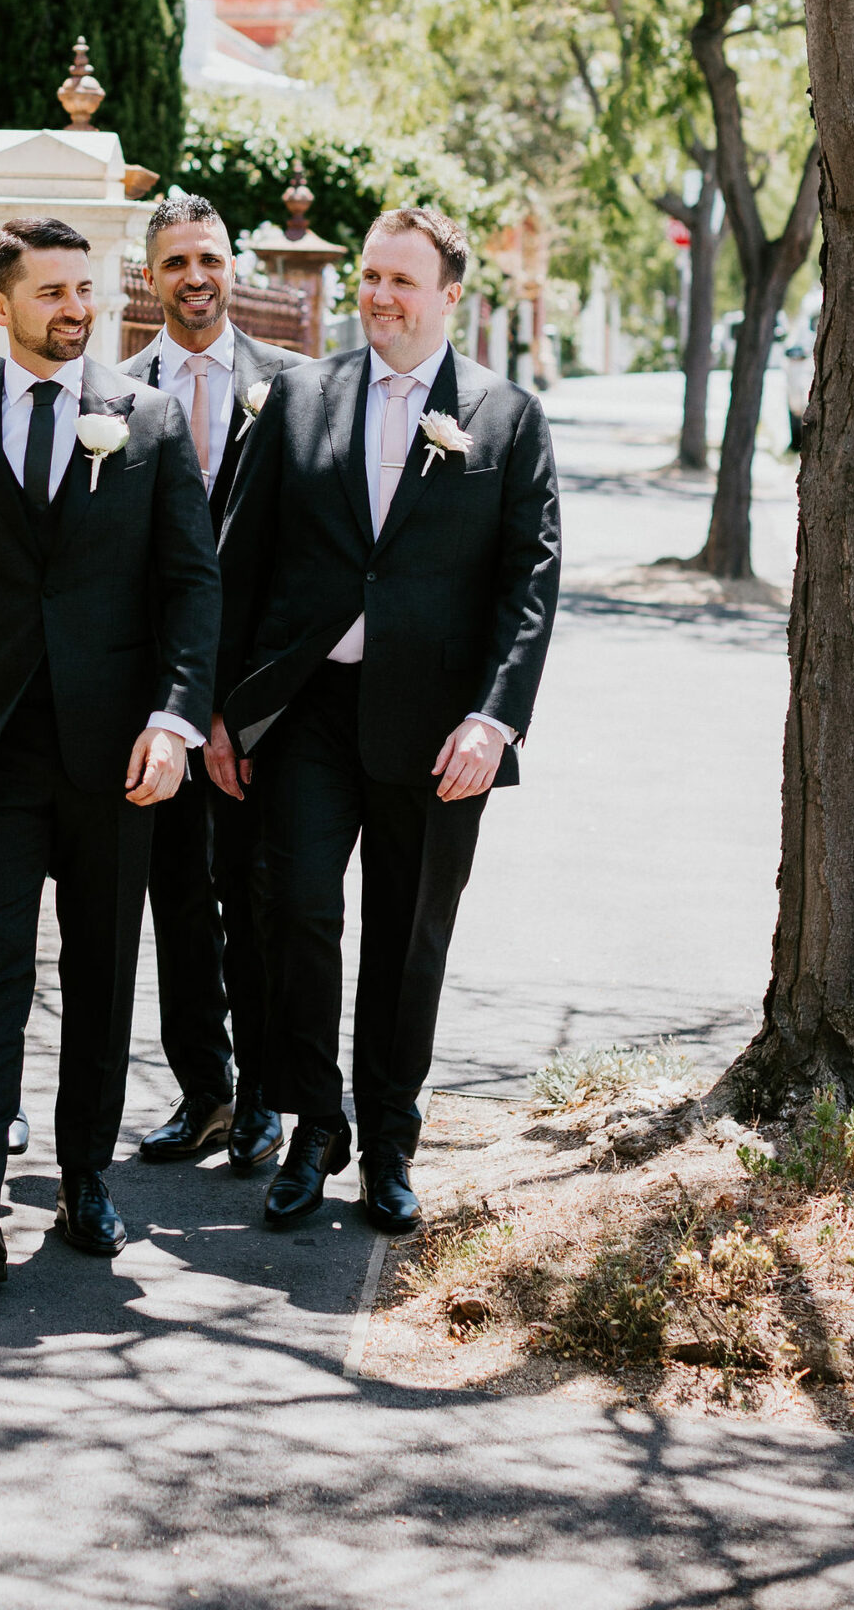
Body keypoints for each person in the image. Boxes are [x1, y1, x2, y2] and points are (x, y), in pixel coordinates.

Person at [214, 206, 560, 1238]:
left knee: (411, 939)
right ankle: (316, 1124)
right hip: (312, 709)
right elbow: (241, 558)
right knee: (300, 911)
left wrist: (494, 721)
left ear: (452, 295)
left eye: (403, 281)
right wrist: (226, 714)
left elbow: (530, 585)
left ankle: (392, 1142)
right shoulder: (300, 396)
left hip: (437, 726)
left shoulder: (505, 417)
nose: (379, 296)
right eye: (370, 276)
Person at [0, 216, 221, 1285]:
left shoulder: (151, 420)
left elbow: (190, 588)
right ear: (0, 306)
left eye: (88, 289)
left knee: (100, 971)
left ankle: (86, 1180)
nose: (77, 309)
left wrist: (174, 721)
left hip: (114, 755)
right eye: (53, 293)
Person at [122, 193, 295, 1175]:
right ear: (151, 277)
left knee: (257, 895)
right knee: (176, 901)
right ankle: (205, 1094)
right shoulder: (113, 389)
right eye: (178, 261)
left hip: (259, 709)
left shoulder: (296, 386)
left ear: (234, 267)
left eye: (212, 258)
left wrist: (240, 706)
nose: (197, 276)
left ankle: (266, 1096)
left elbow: (303, 563)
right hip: (153, 705)